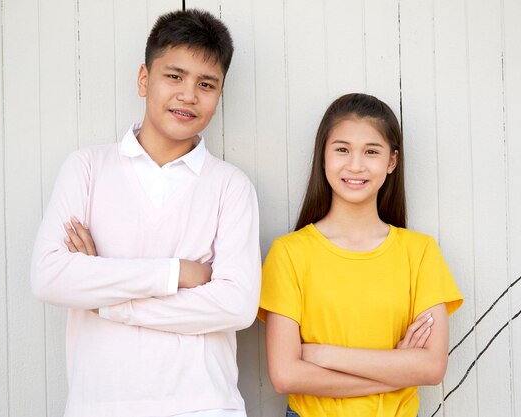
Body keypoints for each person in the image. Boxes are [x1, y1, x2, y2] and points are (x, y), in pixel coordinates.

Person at [31, 9, 260, 417]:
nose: (189, 95)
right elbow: (49, 277)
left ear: (219, 93)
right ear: (144, 79)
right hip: (99, 406)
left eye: (206, 84)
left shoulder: (231, 186)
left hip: (206, 406)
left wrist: (105, 293)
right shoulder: (87, 168)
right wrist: (177, 273)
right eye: (174, 76)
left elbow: (236, 306)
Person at [258, 93, 463, 417]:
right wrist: (397, 369)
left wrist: (322, 355)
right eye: (342, 149)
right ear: (323, 157)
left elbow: (432, 368)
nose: (355, 165)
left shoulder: (420, 252)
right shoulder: (289, 253)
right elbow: (285, 375)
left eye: (371, 151)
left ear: (391, 161)